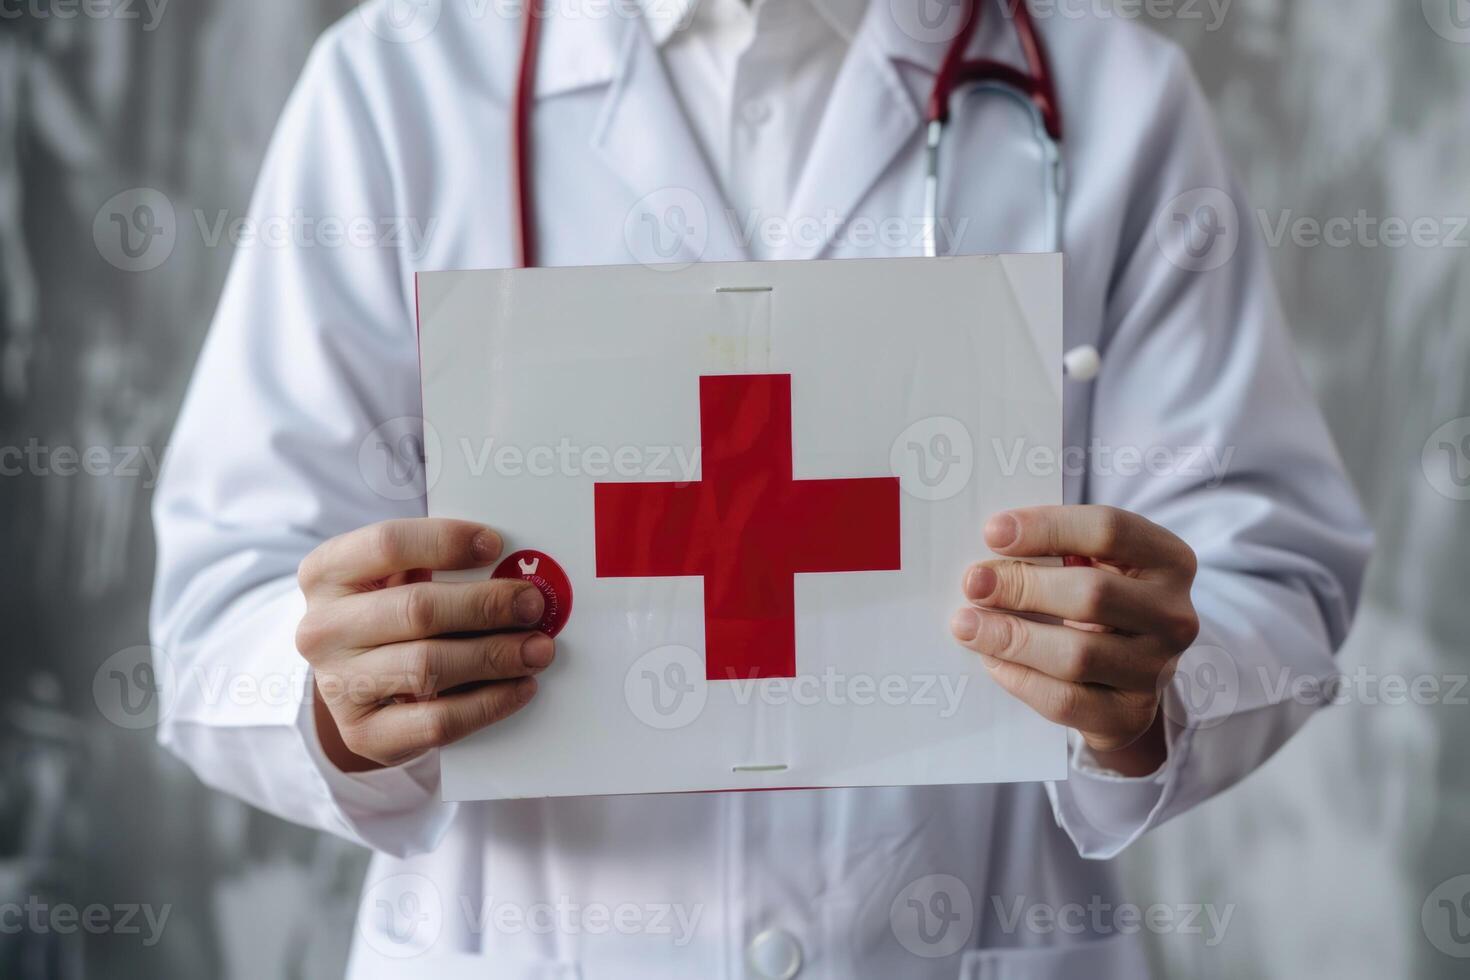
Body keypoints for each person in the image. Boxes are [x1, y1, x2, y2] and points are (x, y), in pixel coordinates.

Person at [149, 0, 1372, 976]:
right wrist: (336, 690)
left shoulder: (1114, 93)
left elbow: (1273, 563)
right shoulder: (392, 85)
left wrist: (1159, 680)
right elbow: (219, 608)